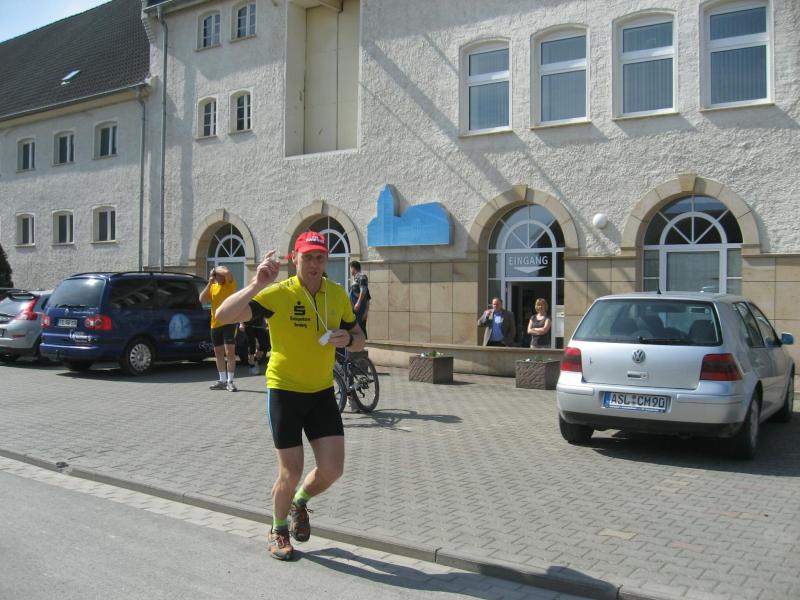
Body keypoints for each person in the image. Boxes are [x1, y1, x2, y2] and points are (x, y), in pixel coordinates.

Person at [215, 231, 365, 562]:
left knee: (332, 469)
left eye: (320, 257)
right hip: (285, 391)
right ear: (293, 258)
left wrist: (349, 340)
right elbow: (223, 316)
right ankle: (278, 528)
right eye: (307, 257)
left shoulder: (337, 294)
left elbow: (359, 337)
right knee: (291, 470)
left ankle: (299, 502)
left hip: (322, 392)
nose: (314, 264)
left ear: (326, 261)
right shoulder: (278, 294)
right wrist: (256, 284)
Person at [199, 266, 238, 392]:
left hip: (229, 322)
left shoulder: (230, 284)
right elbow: (202, 299)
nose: (217, 277)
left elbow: (227, 272)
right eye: (215, 275)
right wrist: (209, 283)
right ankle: (222, 380)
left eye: (218, 275)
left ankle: (230, 381)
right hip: (215, 324)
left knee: (230, 352)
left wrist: (216, 269)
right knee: (218, 352)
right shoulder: (213, 286)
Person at [348, 260, 370, 339]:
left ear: (353, 268)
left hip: (359, 309)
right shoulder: (356, 279)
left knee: (359, 329)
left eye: (350, 268)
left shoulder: (362, 276)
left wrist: (358, 303)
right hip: (354, 310)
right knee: (355, 329)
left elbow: (363, 290)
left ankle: (361, 344)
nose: (350, 271)